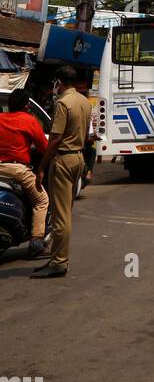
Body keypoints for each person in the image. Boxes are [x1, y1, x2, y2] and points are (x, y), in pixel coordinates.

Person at [31, 66, 91, 278]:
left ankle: (59, 262)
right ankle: (57, 257)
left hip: (63, 159)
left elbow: (55, 138)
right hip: (78, 158)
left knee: (60, 215)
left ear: (59, 82)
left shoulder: (63, 103)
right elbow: (84, 136)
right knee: (65, 212)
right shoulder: (84, 101)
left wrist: (41, 167)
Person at [0, 88, 49, 257]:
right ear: (27, 106)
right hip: (17, 169)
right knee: (42, 200)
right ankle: (36, 241)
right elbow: (44, 147)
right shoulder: (29, 120)